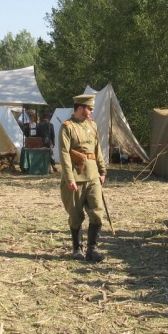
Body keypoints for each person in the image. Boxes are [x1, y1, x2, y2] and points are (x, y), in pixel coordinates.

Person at [59, 94, 107, 262]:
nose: (92, 110)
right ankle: (77, 248)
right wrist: (69, 178)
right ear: (80, 108)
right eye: (89, 107)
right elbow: (64, 154)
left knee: (97, 213)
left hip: (93, 176)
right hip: (76, 177)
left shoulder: (92, 125)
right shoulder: (67, 127)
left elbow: (97, 149)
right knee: (76, 215)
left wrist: (102, 171)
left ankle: (92, 249)